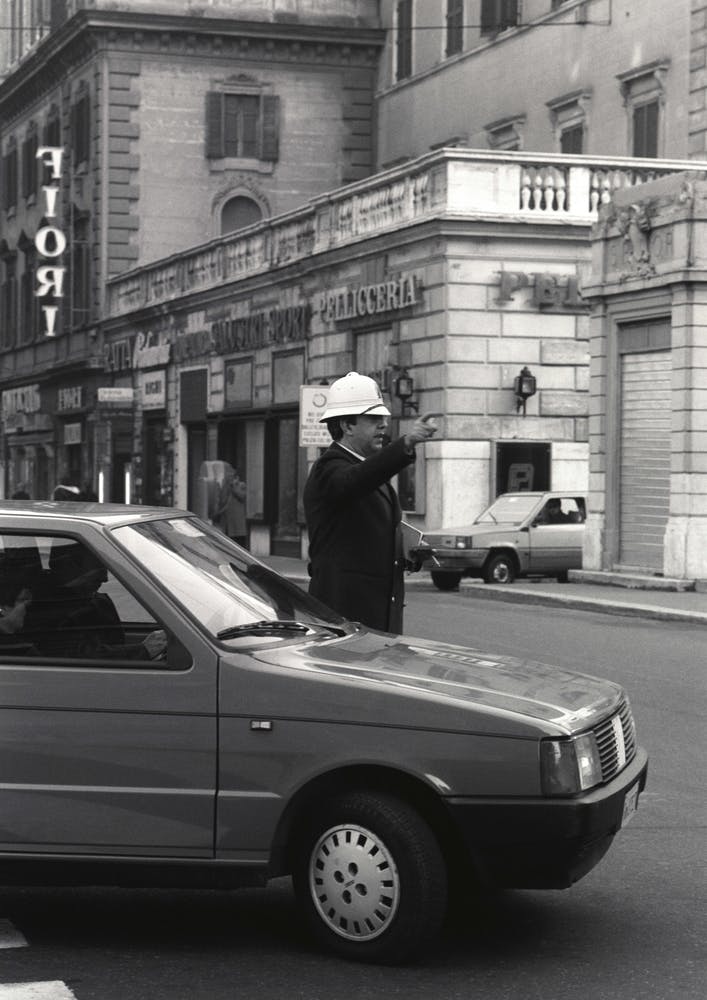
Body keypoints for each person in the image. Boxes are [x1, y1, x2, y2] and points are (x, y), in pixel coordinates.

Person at [303, 371, 438, 634]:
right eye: (373, 418)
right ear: (347, 425)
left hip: (377, 619)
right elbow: (355, 482)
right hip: (346, 619)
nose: (384, 425)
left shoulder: (367, 469)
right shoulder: (329, 468)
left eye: (384, 418)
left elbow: (370, 532)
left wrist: (408, 551)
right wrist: (406, 443)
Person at [213, 466, 247, 548]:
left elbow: (242, 496)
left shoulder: (241, 485)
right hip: (228, 519)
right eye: (228, 477)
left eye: (231, 476)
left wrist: (234, 486)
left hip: (238, 520)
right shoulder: (226, 487)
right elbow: (222, 500)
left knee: (239, 541)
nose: (229, 479)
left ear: (236, 477)